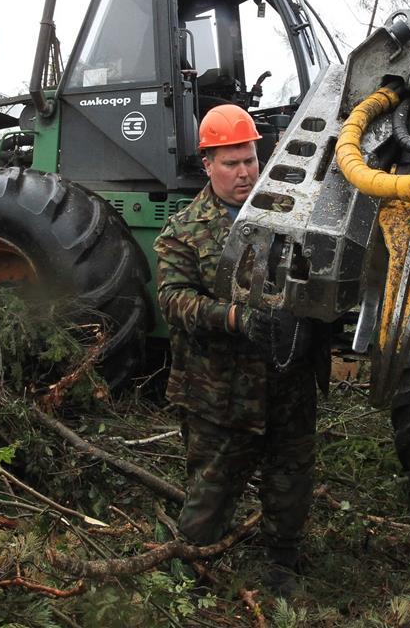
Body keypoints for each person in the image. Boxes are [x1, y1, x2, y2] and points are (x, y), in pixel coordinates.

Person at [153, 104, 328, 592]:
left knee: (290, 481)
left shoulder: (291, 217)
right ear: (207, 164)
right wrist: (236, 318)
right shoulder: (185, 231)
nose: (244, 172)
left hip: (288, 383)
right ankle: (190, 576)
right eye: (231, 163)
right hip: (220, 392)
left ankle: (282, 565)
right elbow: (172, 300)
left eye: (250, 159)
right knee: (211, 491)